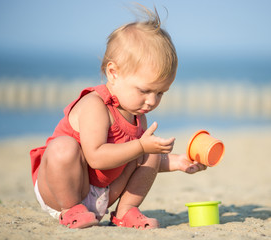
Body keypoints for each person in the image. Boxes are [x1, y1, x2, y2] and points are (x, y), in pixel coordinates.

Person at [30, 5, 207, 230]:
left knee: (148, 152)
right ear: (113, 73)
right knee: (63, 147)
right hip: (61, 189)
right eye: (144, 91)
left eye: (160, 93)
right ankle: (70, 210)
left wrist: (178, 162)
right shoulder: (96, 105)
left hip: (100, 194)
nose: (152, 101)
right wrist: (141, 146)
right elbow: (95, 157)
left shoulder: (135, 113)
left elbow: (138, 159)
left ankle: (125, 213)